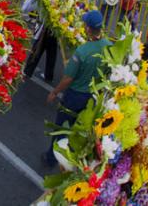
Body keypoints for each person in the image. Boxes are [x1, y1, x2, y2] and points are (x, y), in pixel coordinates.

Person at [43, 10, 110, 167]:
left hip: (75, 96)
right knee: (80, 131)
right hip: (93, 97)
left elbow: (68, 79)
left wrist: (54, 92)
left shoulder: (82, 52)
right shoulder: (108, 46)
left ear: (87, 29)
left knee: (63, 128)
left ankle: (53, 158)